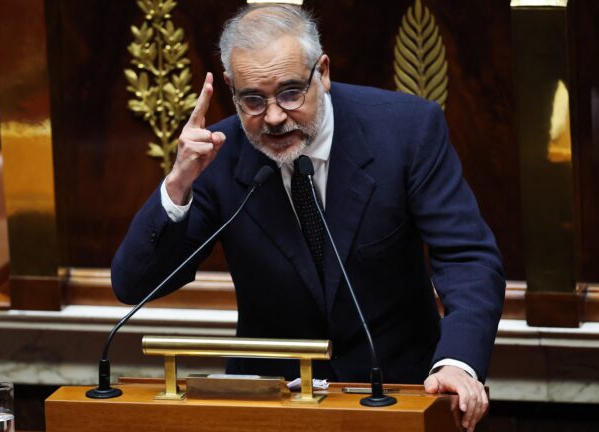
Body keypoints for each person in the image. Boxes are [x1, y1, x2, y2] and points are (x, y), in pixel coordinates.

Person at [112, 4, 504, 430]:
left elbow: (468, 257)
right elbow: (134, 283)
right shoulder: (218, 158)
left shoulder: (406, 130)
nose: (275, 117)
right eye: (253, 100)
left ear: (324, 72)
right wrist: (177, 184)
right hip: (268, 406)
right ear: (230, 87)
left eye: (291, 92)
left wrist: (458, 362)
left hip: (398, 395)